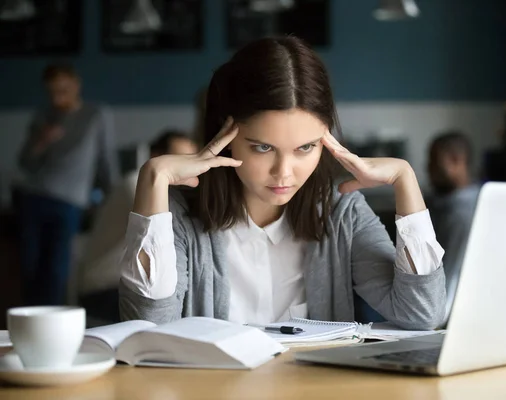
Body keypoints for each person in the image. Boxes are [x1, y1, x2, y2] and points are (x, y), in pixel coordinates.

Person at [119, 37, 446, 329]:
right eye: (263, 147)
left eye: (305, 148)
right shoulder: (179, 214)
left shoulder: (341, 211)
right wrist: (153, 176)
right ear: (226, 134)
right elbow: (147, 329)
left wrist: (405, 178)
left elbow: (422, 313)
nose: (284, 173)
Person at [16, 62, 119, 306]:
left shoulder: (96, 115)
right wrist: (42, 140)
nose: (57, 96)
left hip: (69, 203)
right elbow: (25, 163)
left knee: (57, 270)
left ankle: (51, 326)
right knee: (30, 268)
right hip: (33, 197)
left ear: (76, 84)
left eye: (63, 89)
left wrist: (113, 199)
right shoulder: (43, 116)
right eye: (52, 91)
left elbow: (106, 159)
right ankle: (27, 322)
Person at [78, 130, 198, 324]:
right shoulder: (135, 184)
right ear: (157, 158)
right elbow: (167, 226)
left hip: (123, 287)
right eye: (180, 159)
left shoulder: (166, 193)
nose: (187, 167)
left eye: (192, 159)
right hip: (105, 288)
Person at [426, 131, 480, 326]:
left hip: (449, 316)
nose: (427, 169)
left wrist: (434, 322)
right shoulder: (443, 205)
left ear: (457, 161)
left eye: (433, 162)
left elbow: (452, 272)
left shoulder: (462, 214)